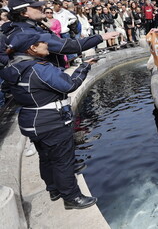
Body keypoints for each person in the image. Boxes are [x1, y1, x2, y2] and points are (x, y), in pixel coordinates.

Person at [0, 34, 99, 209]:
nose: (47, 44)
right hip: (51, 121)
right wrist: (84, 67)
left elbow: (8, 90)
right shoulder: (40, 69)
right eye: (42, 42)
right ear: (32, 49)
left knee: (46, 158)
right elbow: (69, 85)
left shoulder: (12, 67)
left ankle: (53, 189)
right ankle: (71, 197)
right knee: (63, 160)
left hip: (31, 121)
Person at [1, 0, 118, 68]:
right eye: (36, 7)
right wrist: (101, 37)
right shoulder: (28, 33)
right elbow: (69, 46)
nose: (41, 8)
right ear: (23, 13)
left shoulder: (17, 28)